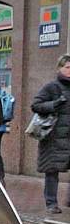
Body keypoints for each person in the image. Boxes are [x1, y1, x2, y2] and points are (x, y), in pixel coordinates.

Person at [31, 54, 70, 214]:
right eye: (67, 67)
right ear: (59, 68)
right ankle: (51, 203)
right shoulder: (51, 87)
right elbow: (36, 105)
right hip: (53, 137)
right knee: (52, 171)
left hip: (68, 137)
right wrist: (54, 104)